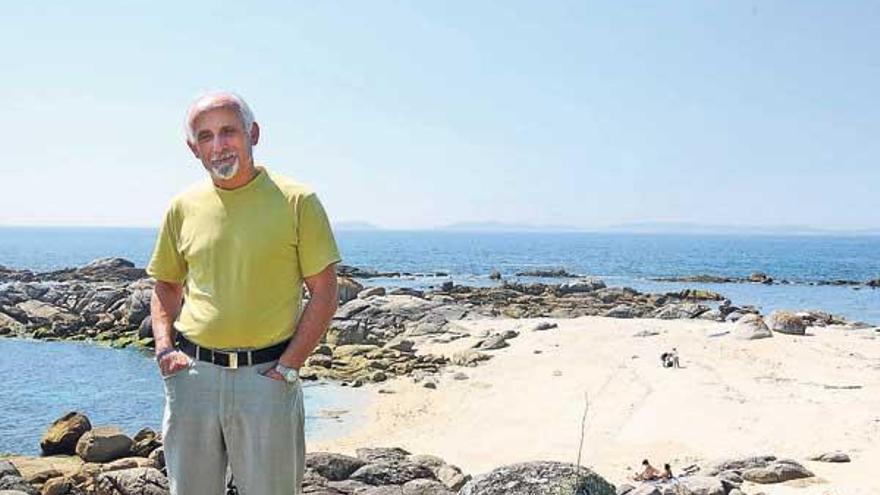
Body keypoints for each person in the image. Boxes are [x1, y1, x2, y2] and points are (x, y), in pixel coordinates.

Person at [148, 91, 341, 495]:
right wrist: (165, 349)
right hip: (192, 377)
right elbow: (166, 285)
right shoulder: (182, 207)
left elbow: (324, 293)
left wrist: (289, 367)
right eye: (205, 136)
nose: (218, 145)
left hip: (267, 379)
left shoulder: (297, 201)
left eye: (228, 131)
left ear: (253, 133)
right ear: (192, 148)